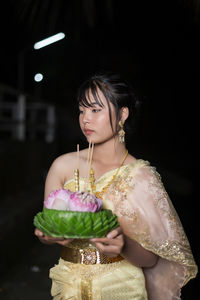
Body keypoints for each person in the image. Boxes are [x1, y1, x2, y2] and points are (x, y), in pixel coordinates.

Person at [35, 72, 197, 300]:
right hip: (69, 284)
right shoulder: (62, 166)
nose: (85, 119)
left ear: (123, 114)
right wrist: (47, 235)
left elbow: (151, 258)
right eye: (82, 110)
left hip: (122, 287)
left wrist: (123, 246)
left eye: (95, 110)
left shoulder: (141, 175)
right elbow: (47, 228)